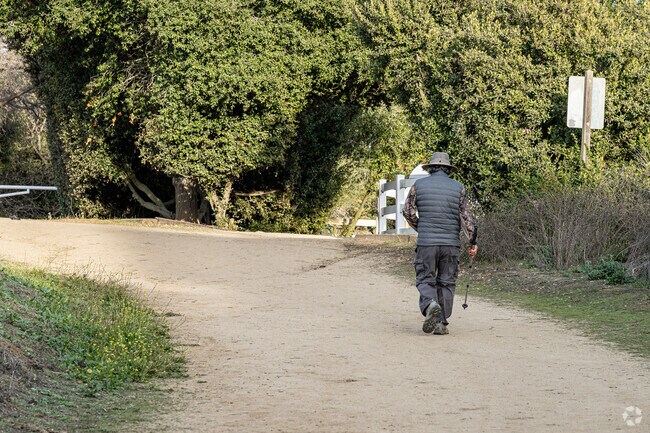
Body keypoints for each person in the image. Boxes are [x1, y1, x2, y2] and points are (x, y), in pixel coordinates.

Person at [402, 152, 478, 335]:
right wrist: (472, 242)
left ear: (431, 168)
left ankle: (430, 304)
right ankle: (441, 322)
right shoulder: (458, 187)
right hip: (450, 244)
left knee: (425, 278)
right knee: (446, 282)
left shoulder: (418, 186)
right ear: (448, 169)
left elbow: (408, 212)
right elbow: (467, 219)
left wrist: (422, 228)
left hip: (427, 244)